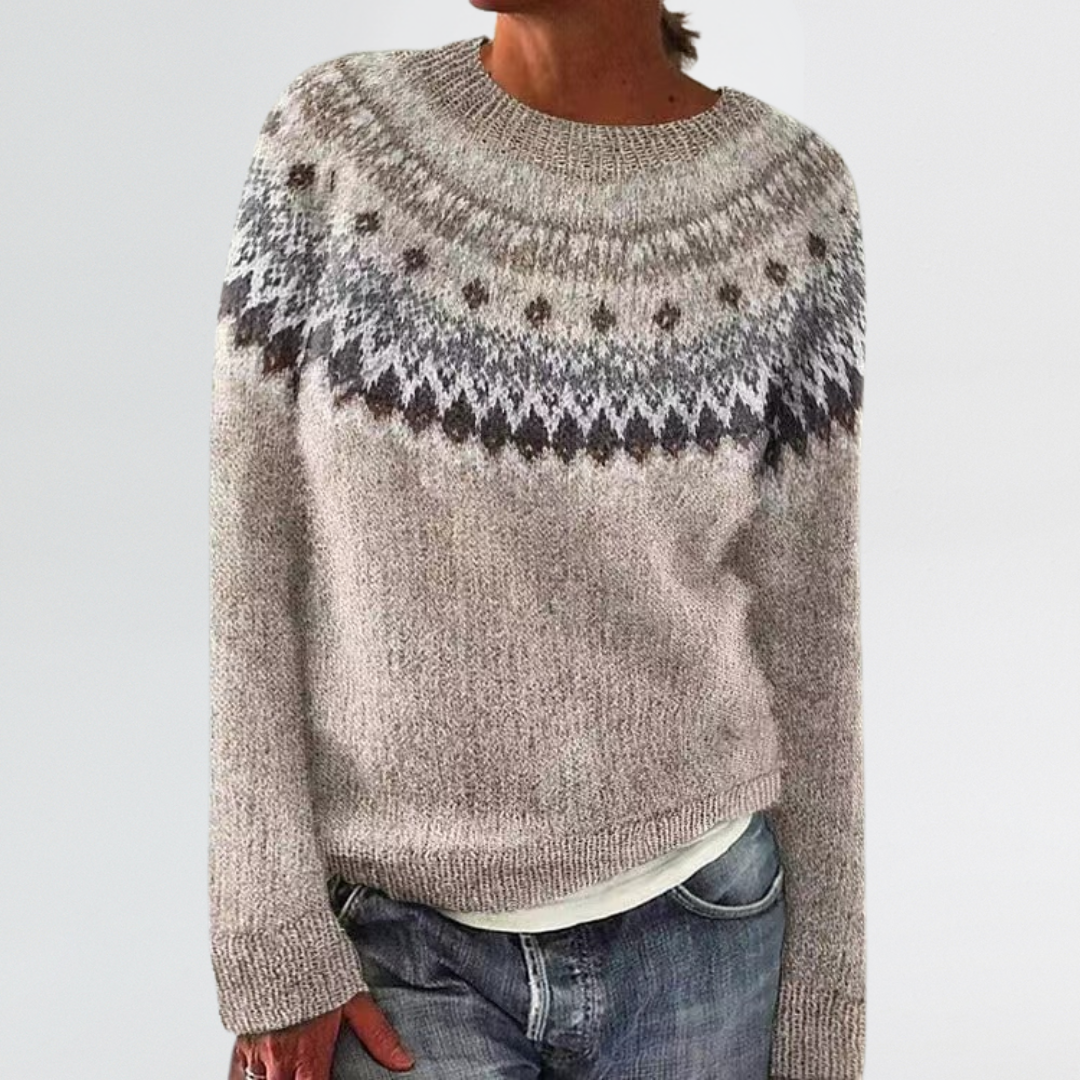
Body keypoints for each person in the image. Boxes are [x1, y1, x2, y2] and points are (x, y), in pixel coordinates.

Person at [208, 3, 868, 1078]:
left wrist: (825, 1016)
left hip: (705, 935)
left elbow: (811, 632)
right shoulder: (335, 141)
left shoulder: (789, 203)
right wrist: (270, 940)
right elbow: (251, 560)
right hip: (397, 952)